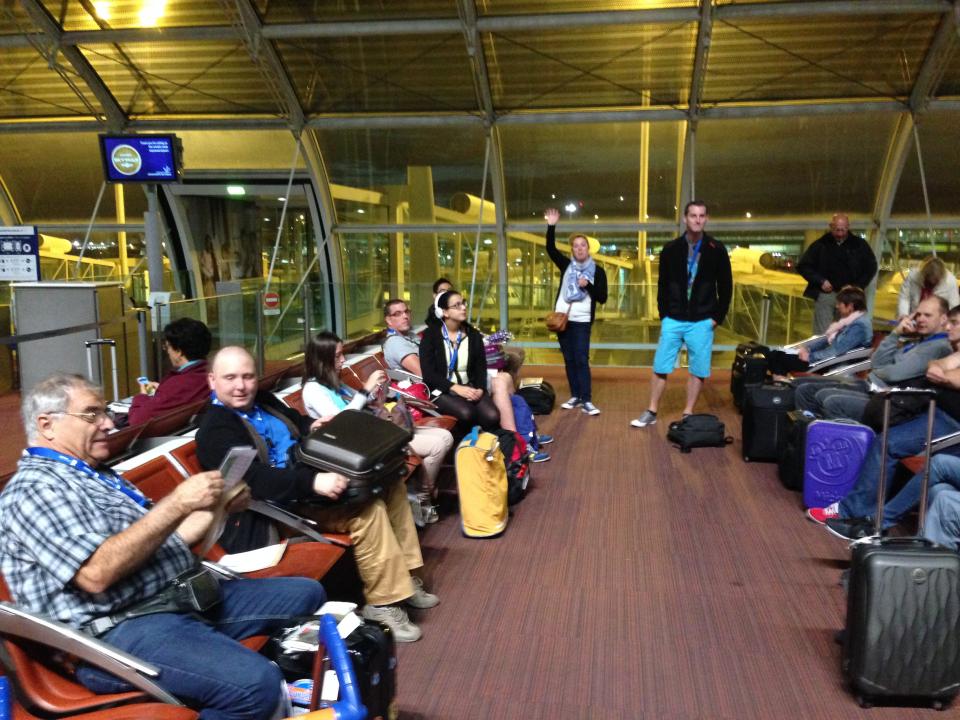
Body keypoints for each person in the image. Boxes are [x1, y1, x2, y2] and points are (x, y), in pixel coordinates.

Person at [0, 373, 324, 719]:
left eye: (105, 412)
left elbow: (173, 536)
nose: (108, 423)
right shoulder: (34, 490)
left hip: (175, 600)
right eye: (92, 414)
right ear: (47, 425)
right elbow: (96, 573)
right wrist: (177, 503)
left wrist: (220, 506)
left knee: (307, 594)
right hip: (119, 631)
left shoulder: (96, 475)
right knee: (256, 686)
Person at [195, 347, 436, 643]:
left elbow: (294, 421)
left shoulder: (262, 400)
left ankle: (405, 580)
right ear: (212, 380)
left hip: (305, 481)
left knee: (390, 485)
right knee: (367, 511)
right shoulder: (215, 430)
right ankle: (383, 603)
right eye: (230, 378)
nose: (241, 386)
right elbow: (256, 481)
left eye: (247, 377)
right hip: (276, 508)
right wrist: (313, 483)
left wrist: (312, 425)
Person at [807, 306, 960, 536]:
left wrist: (945, 373)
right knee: (881, 433)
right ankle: (855, 508)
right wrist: (943, 370)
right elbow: (933, 369)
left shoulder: (943, 347)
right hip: (928, 411)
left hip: (950, 424)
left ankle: (854, 512)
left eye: (954, 323)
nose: (948, 326)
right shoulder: (953, 351)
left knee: (888, 442)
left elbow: (942, 373)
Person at [301, 330, 454, 526]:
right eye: (337, 355)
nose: (343, 359)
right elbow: (342, 421)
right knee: (437, 445)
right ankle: (423, 496)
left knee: (445, 436)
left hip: (372, 431)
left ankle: (421, 492)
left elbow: (361, 402)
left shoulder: (333, 382)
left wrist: (374, 391)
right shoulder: (313, 390)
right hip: (358, 443)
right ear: (322, 359)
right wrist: (366, 389)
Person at [383, 298, 552, 460]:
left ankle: (520, 438)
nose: (405, 316)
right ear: (389, 320)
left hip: (449, 381)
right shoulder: (396, 343)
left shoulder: (411, 336)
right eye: (397, 314)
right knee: (496, 387)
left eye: (406, 311)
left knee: (499, 390)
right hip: (432, 391)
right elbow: (424, 372)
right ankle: (517, 445)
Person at [631, 201, 731, 428]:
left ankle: (688, 412)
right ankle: (652, 410)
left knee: (698, 369)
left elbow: (726, 287)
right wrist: (664, 314)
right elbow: (662, 285)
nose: (697, 219)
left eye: (702, 216)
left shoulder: (716, 248)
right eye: (693, 215)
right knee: (660, 366)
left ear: (706, 219)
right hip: (673, 318)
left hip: (702, 320)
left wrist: (716, 318)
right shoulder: (671, 249)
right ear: (685, 219)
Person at [793, 295, 951, 421]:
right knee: (804, 388)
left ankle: (824, 443)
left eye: (927, 315)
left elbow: (892, 374)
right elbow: (876, 361)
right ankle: (803, 439)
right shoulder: (918, 341)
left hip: (885, 398)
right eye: (918, 314)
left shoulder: (938, 347)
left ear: (943, 319)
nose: (921, 319)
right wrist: (896, 333)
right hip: (871, 386)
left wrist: (879, 370)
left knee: (827, 399)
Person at [544, 208, 608, 416]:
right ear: (572, 249)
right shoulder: (567, 266)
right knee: (569, 359)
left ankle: (586, 399)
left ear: (588, 249)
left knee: (581, 358)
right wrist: (551, 226)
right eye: (576, 246)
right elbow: (551, 249)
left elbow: (602, 297)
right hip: (562, 319)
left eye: (583, 245)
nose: (579, 248)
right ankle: (575, 396)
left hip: (582, 321)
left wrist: (588, 285)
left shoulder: (598, 272)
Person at [419, 291, 500, 431]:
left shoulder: (473, 335)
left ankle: (486, 439)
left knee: (492, 416)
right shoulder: (430, 335)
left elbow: (480, 367)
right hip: (442, 389)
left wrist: (480, 389)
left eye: (463, 303)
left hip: (469, 386)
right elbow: (429, 374)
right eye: (457, 305)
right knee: (467, 413)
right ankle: (465, 439)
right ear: (445, 312)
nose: (463, 308)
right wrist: (455, 388)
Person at [797, 213, 878, 335]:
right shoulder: (820, 244)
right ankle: (824, 347)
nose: (840, 233)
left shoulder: (860, 245)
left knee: (846, 331)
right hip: (827, 294)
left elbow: (871, 267)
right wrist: (821, 281)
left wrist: (856, 286)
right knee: (823, 333)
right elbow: (803, 266)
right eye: (837, 230)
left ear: (848, 227)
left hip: (849, 296)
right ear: (831, 227)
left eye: (843, 230)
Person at [766, 286, 872, 377]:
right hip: (824, 360)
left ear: (850, 306)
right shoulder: (849, 321)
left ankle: (779, 385)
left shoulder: (859, 326)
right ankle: (780, 383)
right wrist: (807, 348)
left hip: (827, 364)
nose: (837, 306)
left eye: (840, 303)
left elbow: (836, 351)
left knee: (776, 356)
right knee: (774, 354)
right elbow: (825, 341)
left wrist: (810, 356)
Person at [127, 317, 212, 426]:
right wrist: (162, 390)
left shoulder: (179, 384)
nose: (167, 352)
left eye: (167, 347)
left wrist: (143, 396)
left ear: (179, 351)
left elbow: (136, 420)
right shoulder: (212, 374)